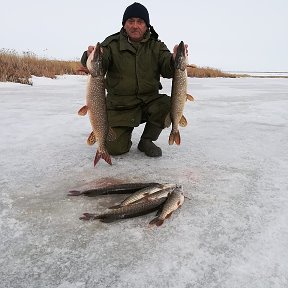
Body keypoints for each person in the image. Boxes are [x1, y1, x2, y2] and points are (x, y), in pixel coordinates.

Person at [81, 2, 187, 157]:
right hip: (120, 106)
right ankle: (123, 135)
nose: (135, 26)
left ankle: (147, 140)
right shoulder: (111, 44)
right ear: (124, 25)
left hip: (148, 102)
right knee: (114, 149)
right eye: (131, 21)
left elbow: (167, 68)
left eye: (140, 22)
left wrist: (173, 59)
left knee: (167, 105)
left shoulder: (156, 46)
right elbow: (98, 65)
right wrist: (88, 55)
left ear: (147, 26)